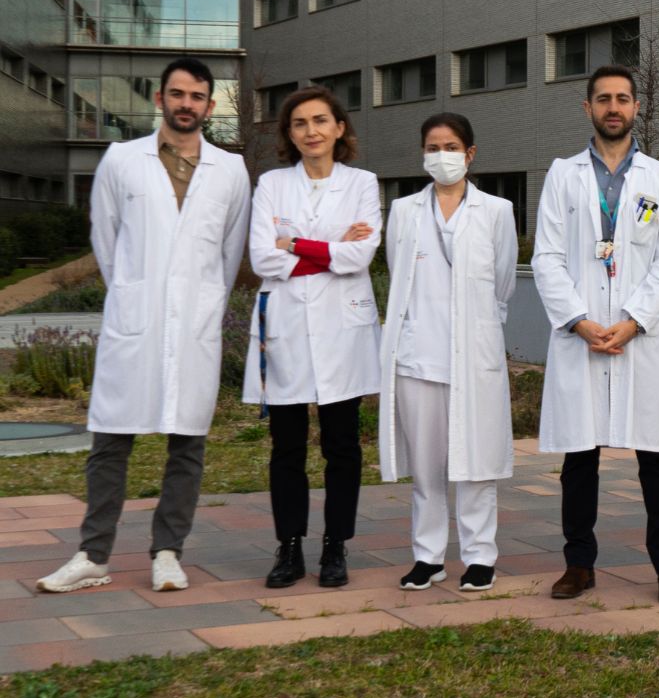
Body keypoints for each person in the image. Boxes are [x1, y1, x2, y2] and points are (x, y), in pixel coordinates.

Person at [36, 58, 250, 595]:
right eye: (177, 94)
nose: (186, 104)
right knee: (111, 439)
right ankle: (92, 554)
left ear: (210, 105)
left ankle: (168, 553)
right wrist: (134, 293)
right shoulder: (121, 159)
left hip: (194, 321)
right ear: (160, 99)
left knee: (188, 443)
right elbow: (106, 239)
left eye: (196, 96)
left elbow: (229, 253)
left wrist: (200, 302)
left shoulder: (231, 170)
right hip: (135, 319)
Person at [533, 66, 659, 604]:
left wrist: (633, 321)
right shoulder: (563, 174)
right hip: (583, 331)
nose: (614, 107)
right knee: (580, 457)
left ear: (636, 107)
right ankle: (579, 564)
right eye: (603, 99)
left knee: (656, 457)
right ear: (588, 108)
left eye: (623, 98)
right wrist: (578, 320)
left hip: (638, 335)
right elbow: (547, 257)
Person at [243, 86, 382, 589]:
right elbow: (263, 259)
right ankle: (289, 548)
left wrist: (296, 244)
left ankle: (335, 546)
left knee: (341, 445)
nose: (311, 131)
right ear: (289, 133)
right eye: (299, 123)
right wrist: (330, 249)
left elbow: (360, 256)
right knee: (287, 446)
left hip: (342, 329)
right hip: (286, 327)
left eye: (321, 120)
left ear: (339, 127)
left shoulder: (362, 183)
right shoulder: (272, 184)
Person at [377, 112, 518, 592]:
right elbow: (399, 277)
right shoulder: (403, 211)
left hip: (474, 357)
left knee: (476, 462)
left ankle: (480, 556)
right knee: (427, 467)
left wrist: (478, 328)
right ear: (423, 154)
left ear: (470, 154)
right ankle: (428, 556)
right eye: (433, 148)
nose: (443, 156)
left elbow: (502, 283)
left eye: (452, 147)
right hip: (419, 358)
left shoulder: (496, 210)